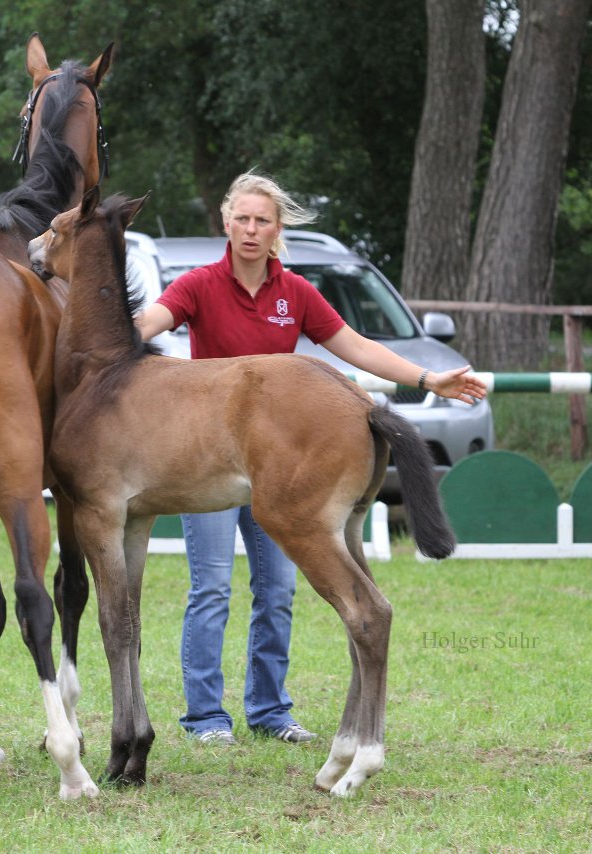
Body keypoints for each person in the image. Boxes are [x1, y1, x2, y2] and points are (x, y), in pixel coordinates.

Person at [134, 171, 487, 746]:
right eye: (242, 219)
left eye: (263, 220)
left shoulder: (295, 292)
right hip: (210, 461)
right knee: (212, 588)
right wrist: (103, 332)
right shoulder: (198, 284)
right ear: (226, 222)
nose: (251, 229)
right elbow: (151, 323)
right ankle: (206, 717)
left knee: (277, 590)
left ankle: (270, 710)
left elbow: (358, 347)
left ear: (278, 230)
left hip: (280, 458)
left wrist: (428, 378)